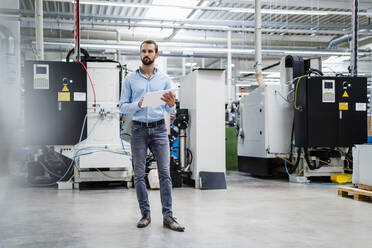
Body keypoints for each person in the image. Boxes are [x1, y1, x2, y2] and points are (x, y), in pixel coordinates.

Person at [120, 40, 185, 232]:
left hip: (159, 130)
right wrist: (137, 104)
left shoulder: (164, 79)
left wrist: (173, 104)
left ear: (156, 55)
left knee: (165, 174)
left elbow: (169, 108)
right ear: (140, 54)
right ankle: (145, 214)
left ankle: (168, 216)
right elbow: (122, 106)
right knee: (139, 174)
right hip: (139, 129)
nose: (146, 54)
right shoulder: (130, 80)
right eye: (143, 51)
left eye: (150, 51)